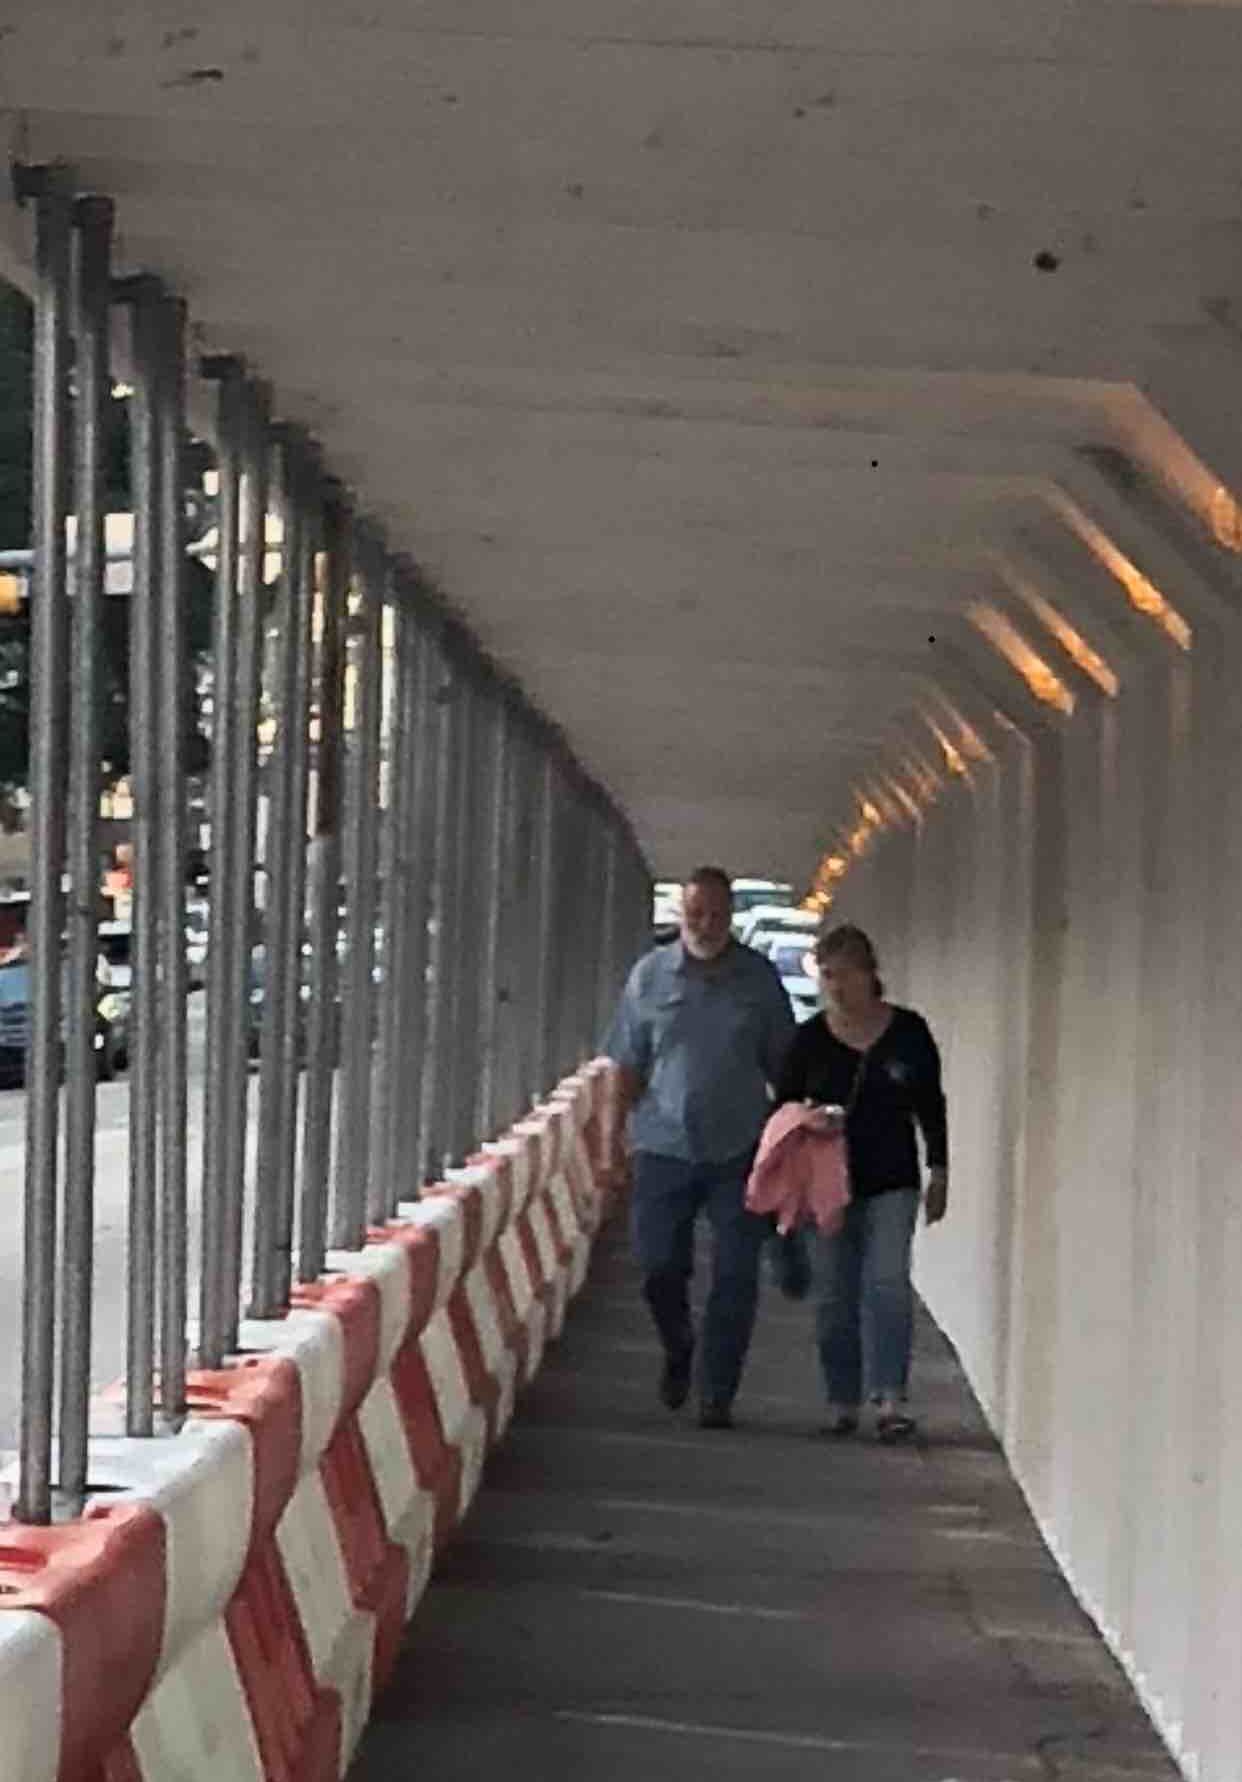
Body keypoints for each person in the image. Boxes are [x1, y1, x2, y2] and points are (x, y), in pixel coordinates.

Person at [604, 866, 795, 1429]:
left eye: (716, 915)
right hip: (662, 1145)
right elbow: (626, 1064)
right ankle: (678, 1342)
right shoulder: (649, 977)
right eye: (696, 914)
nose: (706, 925)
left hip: (738, 1148)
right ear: (680, 915)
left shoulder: (758, 980)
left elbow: (783, 1065)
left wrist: (794, 1137)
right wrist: (612, 1142)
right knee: (657, 1266)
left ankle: (717, 1391)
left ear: (730, 916)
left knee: (736, 1274)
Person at [774, 923, 947, 1441]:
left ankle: (890, 1397)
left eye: (845, 975)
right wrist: (807, 1118)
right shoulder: (809, 1042)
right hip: (826, 1184)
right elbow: (781, 1110)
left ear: (870, 974)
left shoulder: (909, 1034)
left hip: (892, 1177)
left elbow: (930, 1105)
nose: (836, 987)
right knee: (834, 1293)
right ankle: (841, 1399)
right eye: (827, 976)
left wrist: (939, 1168)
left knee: (888, 1283)